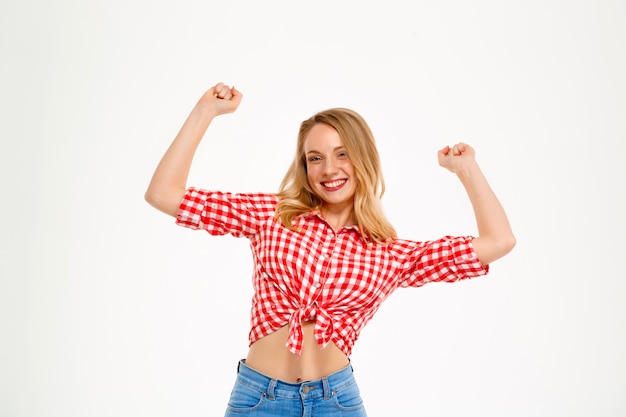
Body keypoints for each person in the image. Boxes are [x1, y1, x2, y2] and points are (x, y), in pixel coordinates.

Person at [145, 82, 516, 416]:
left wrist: (466, 169)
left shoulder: (392, 254)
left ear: (363, 160)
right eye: (315, 158)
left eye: (342, 154)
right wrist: (205, 111)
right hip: (259, 398)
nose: (328, 169)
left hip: (335, 402)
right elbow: (163, 194)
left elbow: (498, 241)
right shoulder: (273, 215)